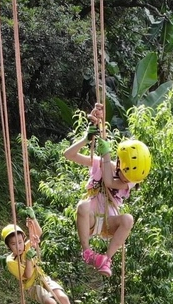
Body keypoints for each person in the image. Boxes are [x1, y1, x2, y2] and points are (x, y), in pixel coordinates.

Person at [63, 103, 151, 277]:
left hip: (109, 222)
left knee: (128, 219)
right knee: (83, 206)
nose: (126, 179)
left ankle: (107, 259)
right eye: (126, 174)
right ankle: (87, 252)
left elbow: (110, 183)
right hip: (92, 218)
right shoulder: (102, 164)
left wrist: (106, 155)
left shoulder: (131, 182)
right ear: (119, 164)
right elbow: (69, 155)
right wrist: (86, 139)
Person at [1, 218, 81, 304]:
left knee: (63, 297)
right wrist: (28, 258)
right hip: (32, 285)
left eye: (20, 242)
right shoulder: (11, 261)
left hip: (42, 277)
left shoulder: (27, 247)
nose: (19, 246)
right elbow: (27, 274)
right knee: (51, 303)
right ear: (8, 246)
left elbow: (37, 233)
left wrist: (33, 219)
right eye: (14, 244)